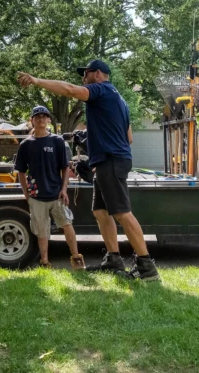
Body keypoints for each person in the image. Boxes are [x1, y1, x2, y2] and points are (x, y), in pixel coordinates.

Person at [17, 61, 160, 281]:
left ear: (99, 74)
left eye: (86, 74)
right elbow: (129, 137)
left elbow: (70, 90)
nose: (83, 78)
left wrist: (37, 81)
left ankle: (147, 267)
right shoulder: (120, 101)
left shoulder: (101, 89)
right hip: (107, 160)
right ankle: (114, 259)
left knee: (121, 212)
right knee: (101, 212)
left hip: (111, 160)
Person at [16, 106, 86, 270]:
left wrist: (64, 189)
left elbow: (65, 168)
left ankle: (76, 258)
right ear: (32, 120)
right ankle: (45, 262)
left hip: (56, 194)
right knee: (42, 231)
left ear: (48, 120)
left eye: (44, 116)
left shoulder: (57, 141)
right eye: (37, 116)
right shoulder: (26, 145)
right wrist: (27, 194)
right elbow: (20, 171)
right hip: (36, 196)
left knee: (67, 225)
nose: (41, 119)